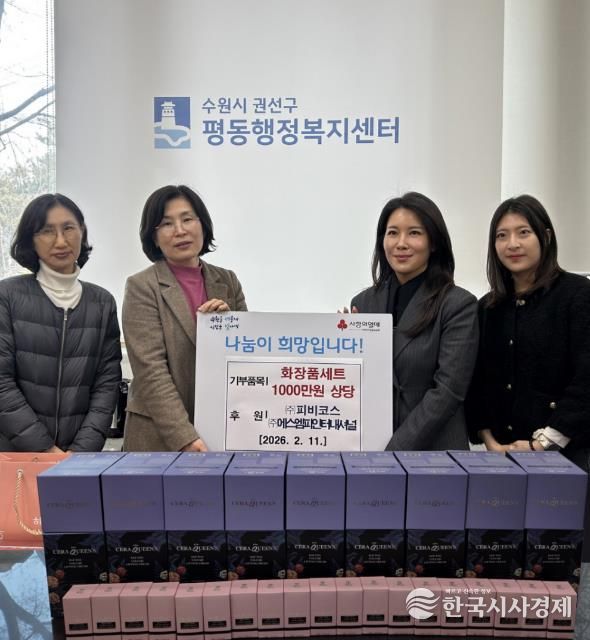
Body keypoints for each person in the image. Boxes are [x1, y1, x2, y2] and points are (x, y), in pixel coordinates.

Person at [467, 195, 590, 471]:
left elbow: (586, 380)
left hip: (567, 459)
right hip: (500, 457)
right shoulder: (487, 307)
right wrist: (490, 442)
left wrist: (542, 444)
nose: (512, 244)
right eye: (502, 235)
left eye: (523, 232)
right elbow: (477, 383)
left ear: (546, 236)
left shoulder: (577, 294)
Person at [122, 185, 247, 452]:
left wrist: (230, 326)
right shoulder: (142, 286)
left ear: (203, 225)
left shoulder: (227, 281)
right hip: (159, 436)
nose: (180, 231)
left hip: (220, 430)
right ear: (154, 237)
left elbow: (245, 357)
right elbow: (151, 371)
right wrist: (184, 437)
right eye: (166, 224)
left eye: (187, 219)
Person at [349, 192, 478, 450]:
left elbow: (447, 392)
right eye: (392, 233)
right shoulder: (362, 304)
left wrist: (394, 449)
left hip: (436, 454)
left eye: (414, 233)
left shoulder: (458, 304)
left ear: (434, 242)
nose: (401, 243)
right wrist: (342, 346)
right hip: (370, 451)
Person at [0, 194, 122, 452]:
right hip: (14, 455)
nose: (60, 241)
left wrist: (80, 452)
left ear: (82, 231)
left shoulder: (102, 303)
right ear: (31, 239)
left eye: (68, 228)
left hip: (77, 460)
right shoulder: (7, 296)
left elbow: (106, 384)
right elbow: (2, 383)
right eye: (46, 231)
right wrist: (44, 449)